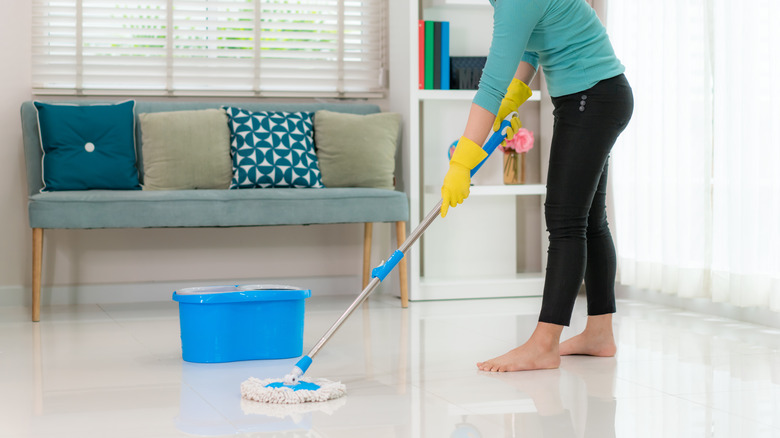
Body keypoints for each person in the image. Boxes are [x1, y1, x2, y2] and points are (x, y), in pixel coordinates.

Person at [440, 0, 634, 372]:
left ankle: (544, 345)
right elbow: (532, 44)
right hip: (599, 96)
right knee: (590, 220)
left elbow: (490, 84)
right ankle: (599, 334)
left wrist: (462, 162)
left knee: (565, 219)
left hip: (590, 99)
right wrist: (515, 96)